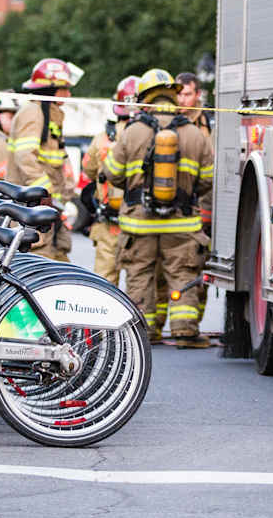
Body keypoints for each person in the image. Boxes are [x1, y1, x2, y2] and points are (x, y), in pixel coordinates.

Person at [106, 68, 214, 348]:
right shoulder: (194, 133)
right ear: (173, 96)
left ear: (145, 99)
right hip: (182, 224)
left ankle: (145, 330)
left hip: (139, 223)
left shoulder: (131, 132)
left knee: (140, 274)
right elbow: (208, 180)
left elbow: (113, 173)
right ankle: (184, 331)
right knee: (182, 274)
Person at [7, 58, 76, 261]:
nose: (70, 94)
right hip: (31, 209)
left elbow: (56, 161)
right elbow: (25, 156)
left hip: (45, 207)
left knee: (58, 261)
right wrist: (43, 192)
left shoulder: (50, 115)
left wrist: (63, 195)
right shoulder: (33, 112)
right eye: (66, 88)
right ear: (51, 88)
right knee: (37, 261)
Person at [81, 75, 138, 286]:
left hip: (108, 225)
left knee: (104, 285)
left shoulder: (102, 138)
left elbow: (88, 170)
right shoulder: (150, 136)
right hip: (139, 224)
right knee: (138, 284)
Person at [175, 71, 214, 323]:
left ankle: (191, 325)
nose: (182, 99)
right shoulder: (167, 119)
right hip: (173, 205)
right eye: (178, 94)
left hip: (202, 205)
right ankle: (155, 327)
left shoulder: (209, 122)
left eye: (187, 94)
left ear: (197, 94)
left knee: (199, 265)